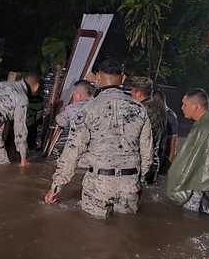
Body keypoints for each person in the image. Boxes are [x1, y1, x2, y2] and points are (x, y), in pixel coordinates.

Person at [44, 59, 153, 219]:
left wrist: (55, 187)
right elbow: (147, 155)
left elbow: (71, 153)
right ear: (122, 79)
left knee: (93, 234)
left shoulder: (87, 109)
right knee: (125, 233)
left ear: (97, 78)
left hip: (98, 184)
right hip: (130, 184)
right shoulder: (139, 109)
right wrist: (137, 181)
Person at [130, 78, 166, 185]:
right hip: (152, 163)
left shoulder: (142, 110)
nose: (130, 94)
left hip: (143, 164)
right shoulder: (157, 108)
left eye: (132, 91)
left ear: (138, 93)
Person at [51, 80, 95, 160]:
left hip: (75, 150)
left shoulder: (71, 109)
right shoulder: (99, 106)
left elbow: (60, 121)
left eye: (74, 93)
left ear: (78, 95)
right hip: (94, 151)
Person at [153, 90, 179, 174]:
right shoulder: (157, 114)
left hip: (164, 159)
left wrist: (169, 163)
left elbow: (173, 143)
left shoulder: (170, 116)